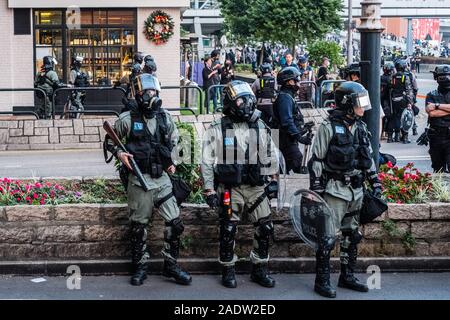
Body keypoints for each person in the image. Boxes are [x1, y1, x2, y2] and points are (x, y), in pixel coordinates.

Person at [106, 73, 192, 287]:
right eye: (146, 92)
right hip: (139, 180)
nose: (150, 95)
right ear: (137, 95)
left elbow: (177, 142)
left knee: (175, 224)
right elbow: (110, 141)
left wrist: (174, 160)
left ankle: (171, 265)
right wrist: (119, 154)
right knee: (138, 227)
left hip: (162, 179)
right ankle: (140, 267)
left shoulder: (165, 118)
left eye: (153, 91)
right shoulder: (127, 119)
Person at [201, 80, 279, 289]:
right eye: (240, 100)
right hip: (230, 188)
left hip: (255, 187)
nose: (246, 104)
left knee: (265, 227)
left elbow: (271, 153)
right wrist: (209, 189)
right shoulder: (218, 127)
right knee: (228, 230)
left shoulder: (259, 124)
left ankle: (259, 269)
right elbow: (207, 161)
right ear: (230, 102)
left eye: (247, 100)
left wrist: (273, 180)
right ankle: (228, 270)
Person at [308, 81, 381, 298]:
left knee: (352, 234)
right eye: (360, 103)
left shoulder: (360, 127)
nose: (363, 107)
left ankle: (347, 276)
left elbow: (367, 158)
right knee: (328, 238)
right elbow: (317, 160)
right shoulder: (328, 127)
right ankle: (322, 281)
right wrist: (316, 189)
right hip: (335, 191)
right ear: (348, 103)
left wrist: (375, 180)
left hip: (356, 190)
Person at [272, 67, 312, 173]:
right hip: (285, 140)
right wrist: (299, 137)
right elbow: (286, 121)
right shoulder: (285, 98)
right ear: (289, 81)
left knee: (284, 168)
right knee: (298, 164)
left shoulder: (288, 96)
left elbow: (292, 118)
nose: (298, 82)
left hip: (287, 139)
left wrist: (303, 128)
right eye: (296, 80)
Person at [425, 65, 450, 173]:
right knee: (438, 168)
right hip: (436, 135)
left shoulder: (432, 97)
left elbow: (433, 111)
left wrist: (436, 105)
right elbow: (432, 114)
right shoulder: (431, 95)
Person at [390, 59, 415, 143]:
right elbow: (409, 90)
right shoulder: (405, 76)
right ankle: (405, 137)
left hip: (394, 100)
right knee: (405, 117)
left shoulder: (393, 76)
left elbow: (391, 88)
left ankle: (396, 136)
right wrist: (410, 102)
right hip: (403, 100)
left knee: (396, 117)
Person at [380, 62, 396, 142]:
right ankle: (387, 133)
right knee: (390, 116)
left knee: (382, 117)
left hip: (381, 99)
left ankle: (382, 132)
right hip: (389, 100)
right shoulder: (392, 79)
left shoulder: (380, 77)